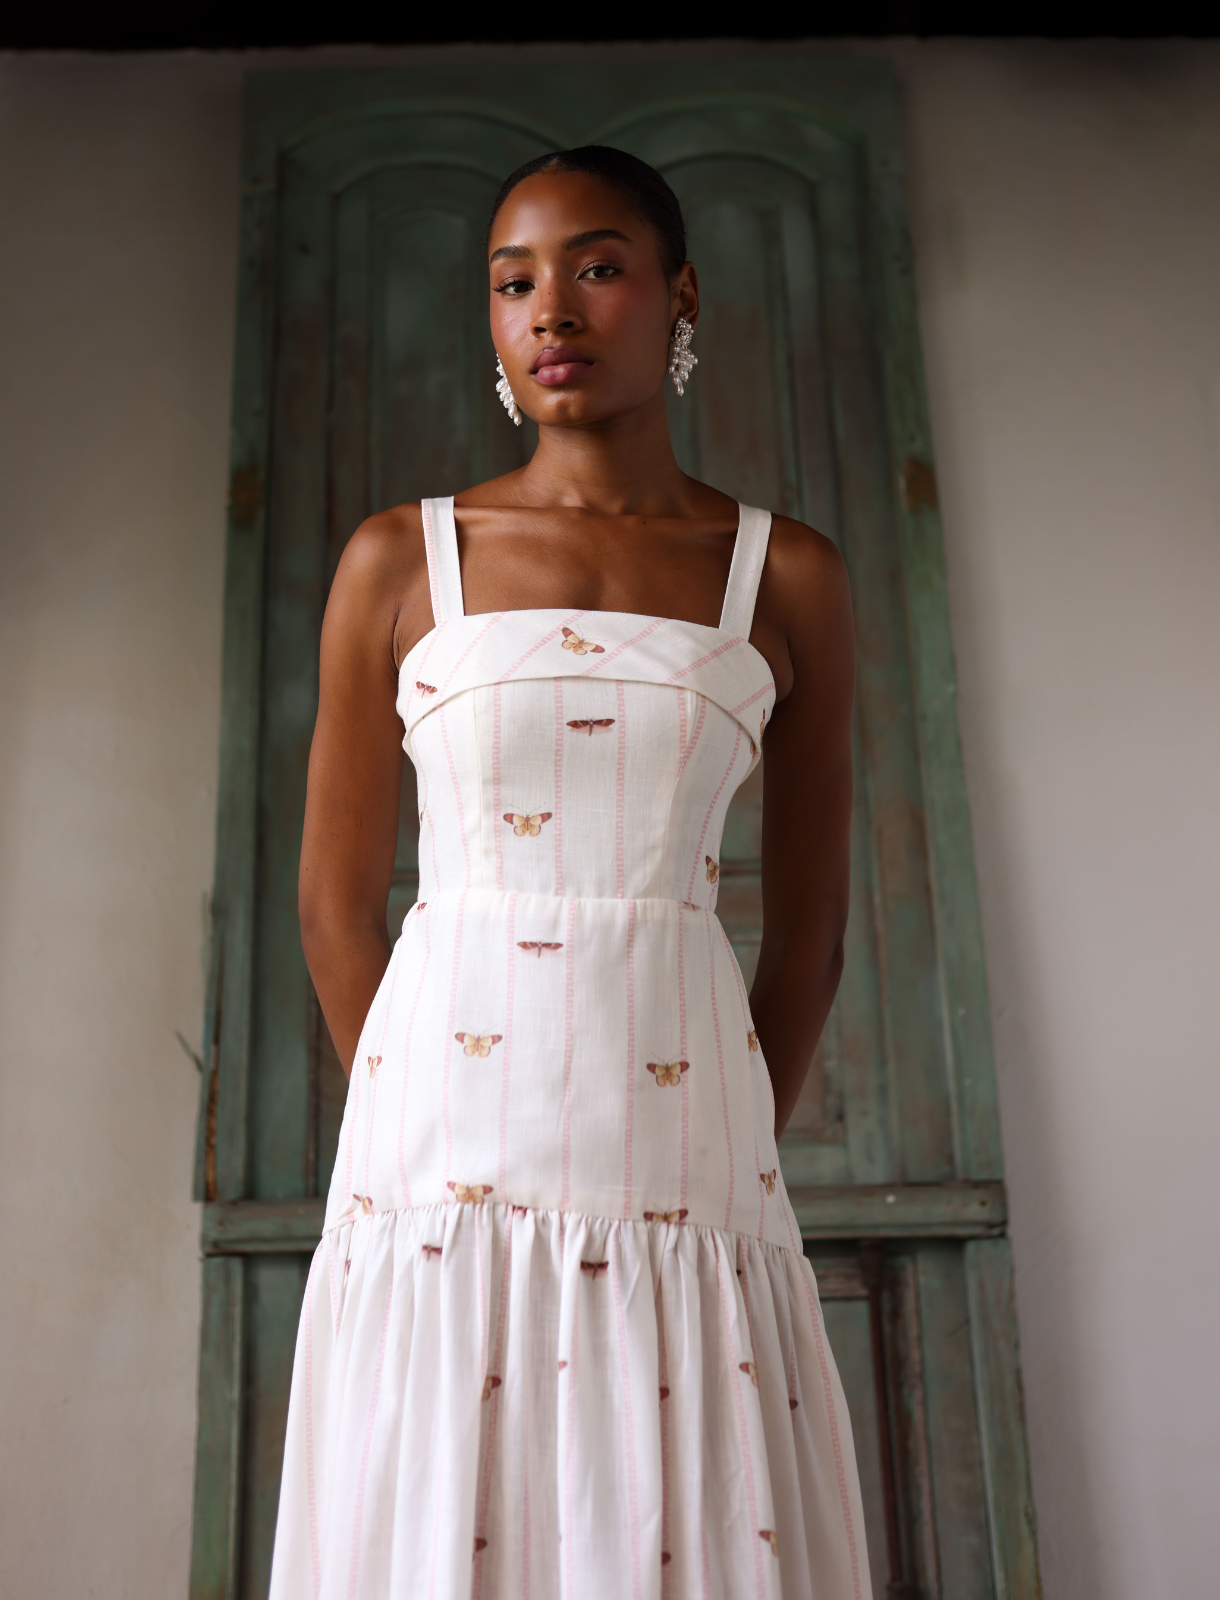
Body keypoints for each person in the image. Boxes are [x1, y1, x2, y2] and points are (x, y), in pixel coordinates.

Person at [270, 144, 868, 1599]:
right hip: (440, 1149)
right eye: (513, 281)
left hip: (683, 1143)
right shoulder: (400, 562)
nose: (551, 309)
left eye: (597, 267)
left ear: (681, 295)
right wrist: (419, 1105)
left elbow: (808, 935)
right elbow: (336, 906)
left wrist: (720, 1127)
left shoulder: (785, 575)